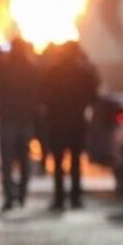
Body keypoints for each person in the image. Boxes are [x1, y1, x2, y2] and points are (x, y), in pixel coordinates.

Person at [39, 40, 100, 210]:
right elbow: (94, 95)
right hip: (76, 122)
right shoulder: (84, 72)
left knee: (58, 162)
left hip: (58, 123)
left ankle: (59, 199)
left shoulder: (54, 71)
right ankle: (75, 198)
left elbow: (44, 95)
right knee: (75, 162)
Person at [0, 36, 39, 209]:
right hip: (24, 120)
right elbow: (36, 95)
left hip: (8, 121)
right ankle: (21, 194)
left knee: (8, 161)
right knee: (24, 159)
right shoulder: (31, 68)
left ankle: (9, 197)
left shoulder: (3, 67)